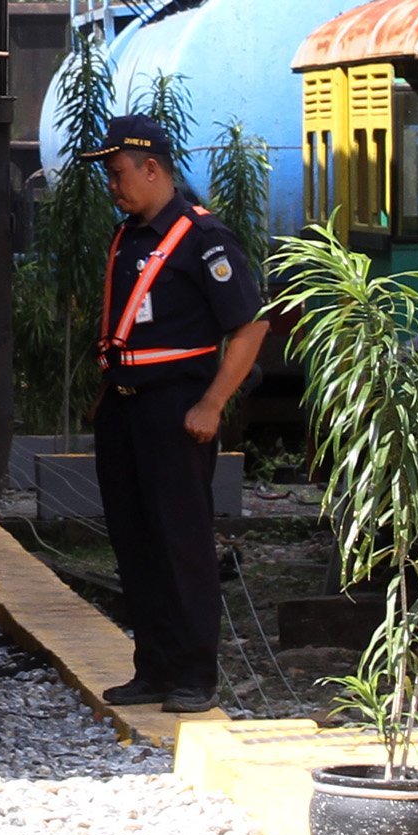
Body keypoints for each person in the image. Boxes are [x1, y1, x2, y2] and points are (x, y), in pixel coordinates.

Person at [80, 113, 268, 715]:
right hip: (124, 406)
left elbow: (250, 326)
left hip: (176, 408)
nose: (113, 186)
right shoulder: (128, 236)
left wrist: (212, 403)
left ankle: (193, 674)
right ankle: (154, 668)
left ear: (152, 168)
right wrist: (108, 391)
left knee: (180, 540)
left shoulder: (203, 238)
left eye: (118, 173)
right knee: (134, 539)